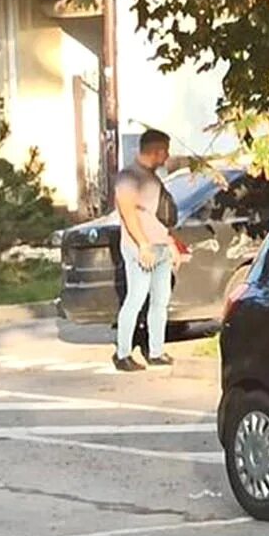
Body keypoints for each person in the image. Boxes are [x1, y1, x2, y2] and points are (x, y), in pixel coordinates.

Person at [112, 128, 185, 371]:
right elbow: (128, 211)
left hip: (161, 246)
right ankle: (122, 353)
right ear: (157, 151)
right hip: (142, 247)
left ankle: (156, 350)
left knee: (160, 301)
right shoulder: (129, 177)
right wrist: (142, 244)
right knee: (136, 298)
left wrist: (171, 243)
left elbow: (159, 215)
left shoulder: (151, 177)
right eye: (166, 151)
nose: (167, 157)